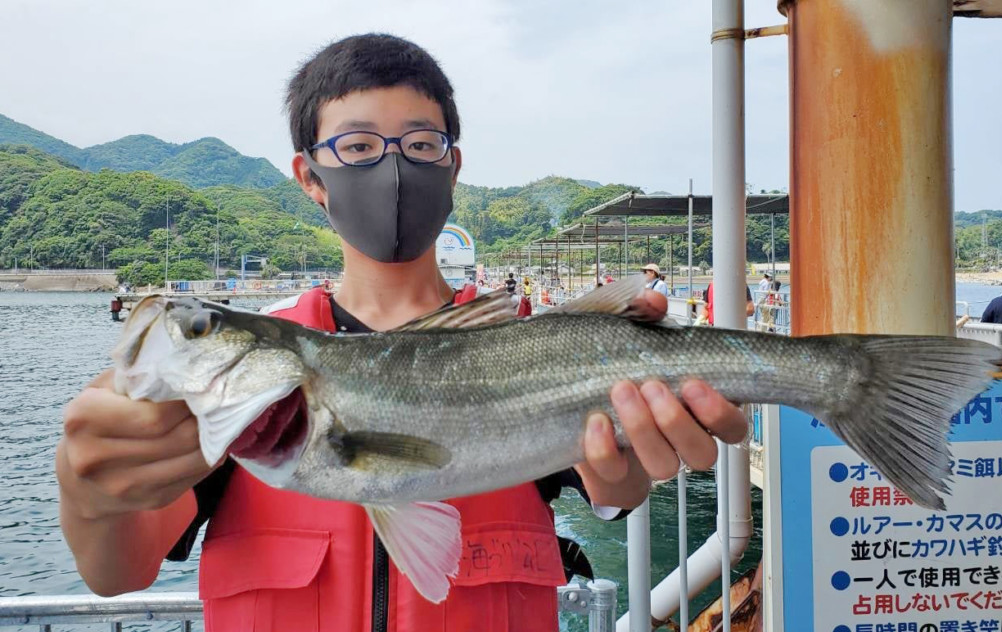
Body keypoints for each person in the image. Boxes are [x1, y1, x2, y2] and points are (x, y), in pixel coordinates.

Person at [56, 34, 747, 632]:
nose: (392, 168)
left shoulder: (529, 342)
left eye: (420, 144)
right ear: (310, 176)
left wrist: (628, 472)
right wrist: (89, 497)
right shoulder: (251, 386)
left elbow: (610, 488)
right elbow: (119, 572)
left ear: (453, 164)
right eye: (357, 146)